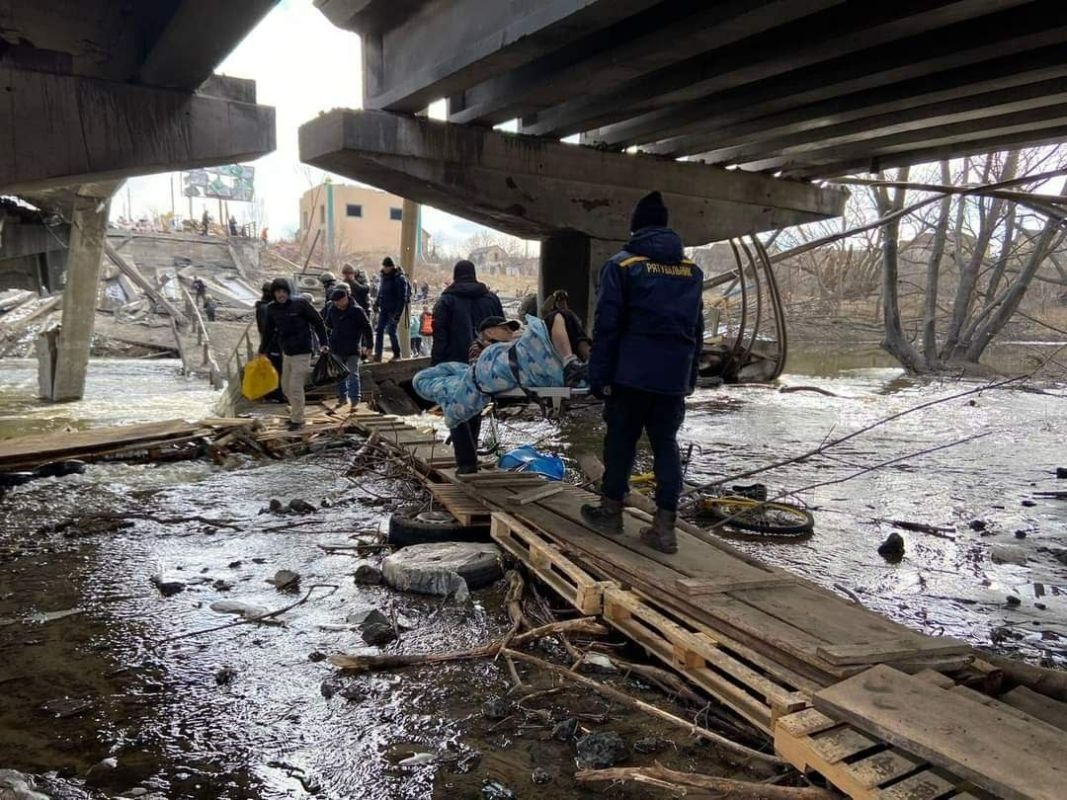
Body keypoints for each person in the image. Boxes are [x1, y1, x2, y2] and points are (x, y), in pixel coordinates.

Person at [580, 191, 705, 554]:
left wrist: (598, 376)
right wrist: (690, 376)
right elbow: (696, 329)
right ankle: (664, 528)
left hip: (631, 375)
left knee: (621, 441)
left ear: (635, 227)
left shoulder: (622, 266)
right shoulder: (691, 272)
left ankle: (610, 512)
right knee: (666, 444)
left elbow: (607, 326)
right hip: (672, 378)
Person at [431, 259, 503, 473]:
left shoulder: (446, 301)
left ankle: (466, 462)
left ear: (455, 276)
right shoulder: (491, 299)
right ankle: (470, 456)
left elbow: (440, 337)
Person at [258, 278, 329, 430]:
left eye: (283, 291)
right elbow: (268, 332)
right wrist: (262, 351)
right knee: (285, 387)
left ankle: (298, 419)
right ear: (273, 294)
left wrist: (324, 343)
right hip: (287, 352)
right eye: (278, 292)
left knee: (296, 386)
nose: (281, 295)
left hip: (303, 351)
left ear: (288, 292)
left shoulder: (300, 304)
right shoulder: (272, 309)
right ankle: (297, 410)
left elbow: (318, 322)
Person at [324, 287, 373, 407]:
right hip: (336, 347)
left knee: (353, 374)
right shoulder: (332, 309)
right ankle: (343, 397)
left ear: (345, 298)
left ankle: (355, 400)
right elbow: (328, 324)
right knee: (340, 374)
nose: (337, 304)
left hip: (352, 347)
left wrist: (369, 345)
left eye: (339, 301)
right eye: (335, 302)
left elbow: (367, 328)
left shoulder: (357, 310)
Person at [543, 289, 591, 386]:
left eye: (563, 300)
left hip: (575, 349)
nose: (562, 303)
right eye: (559, 300)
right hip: (559, 349)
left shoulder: (570, 316)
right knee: (558, 315)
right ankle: (571, 364)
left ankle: (591, 362)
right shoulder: (554, 315)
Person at [372, 257, 409, 362]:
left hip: (393, 310)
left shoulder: (399, 279)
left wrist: (397, 314)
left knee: (391, 331)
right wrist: (376, 303)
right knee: (379, 330)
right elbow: (381, 291)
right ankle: (378, 354)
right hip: (384, 308)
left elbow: (402, 298)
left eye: (386, 267)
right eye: (384, 266)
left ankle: (397, 354)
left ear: (391, 267)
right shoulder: (384, 277)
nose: (385, 268)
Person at [255, 281, 285, 402]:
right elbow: (268, 328)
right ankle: (274, 395)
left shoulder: (263, 306)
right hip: (272, 344)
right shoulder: (266, 308)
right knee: (276, 369)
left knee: (274, 369)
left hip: (270, 343)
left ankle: (273, 394)